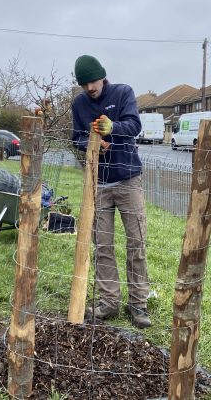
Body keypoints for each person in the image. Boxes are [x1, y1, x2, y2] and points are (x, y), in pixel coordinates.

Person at [70, 54, 151, 329]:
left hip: (128, 179)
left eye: (92, 81)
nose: (89, 88)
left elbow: (135, 125)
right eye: (84, 84)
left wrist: (112, 128)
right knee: (102, 245)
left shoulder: (123, 92)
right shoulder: (79, 104)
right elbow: (76, 137)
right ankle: (109, 301)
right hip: (98, 183)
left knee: (136, 242)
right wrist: (92, 142)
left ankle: (139, 304)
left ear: (102, 76)